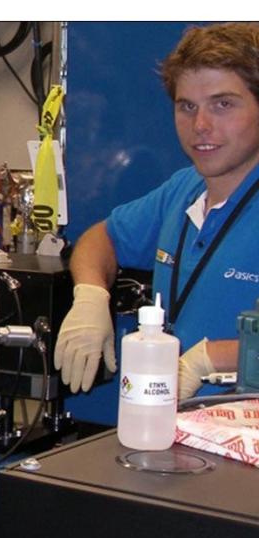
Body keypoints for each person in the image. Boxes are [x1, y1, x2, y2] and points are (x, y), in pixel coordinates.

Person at [55, 22, 259, 400]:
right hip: (173, 432)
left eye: (223, 104)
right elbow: (102, 238)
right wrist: (89, 295)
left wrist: (209, 359)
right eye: (187, 107)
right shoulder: (183, 191)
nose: (201, 125)